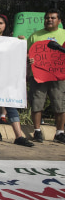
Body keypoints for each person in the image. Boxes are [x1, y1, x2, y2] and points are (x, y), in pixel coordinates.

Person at [0, 14, 33, 147]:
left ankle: (19, 136)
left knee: (11, 105)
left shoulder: (11, 41)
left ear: (5, 26)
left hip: (7, 78)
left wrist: (21, 43)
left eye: (1, 23)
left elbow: (18, 57)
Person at [27, 9, 65, 144]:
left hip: (58, 76)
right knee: (37, 102)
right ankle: (37, 131)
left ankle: (60, 133)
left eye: (53, 18)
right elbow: (27, 53)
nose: (49, 20)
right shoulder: (35, 36)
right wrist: (29, 59)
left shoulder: (64, 34)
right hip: (39, 75)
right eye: (47, 18)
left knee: (60, 104)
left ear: (59, 21)